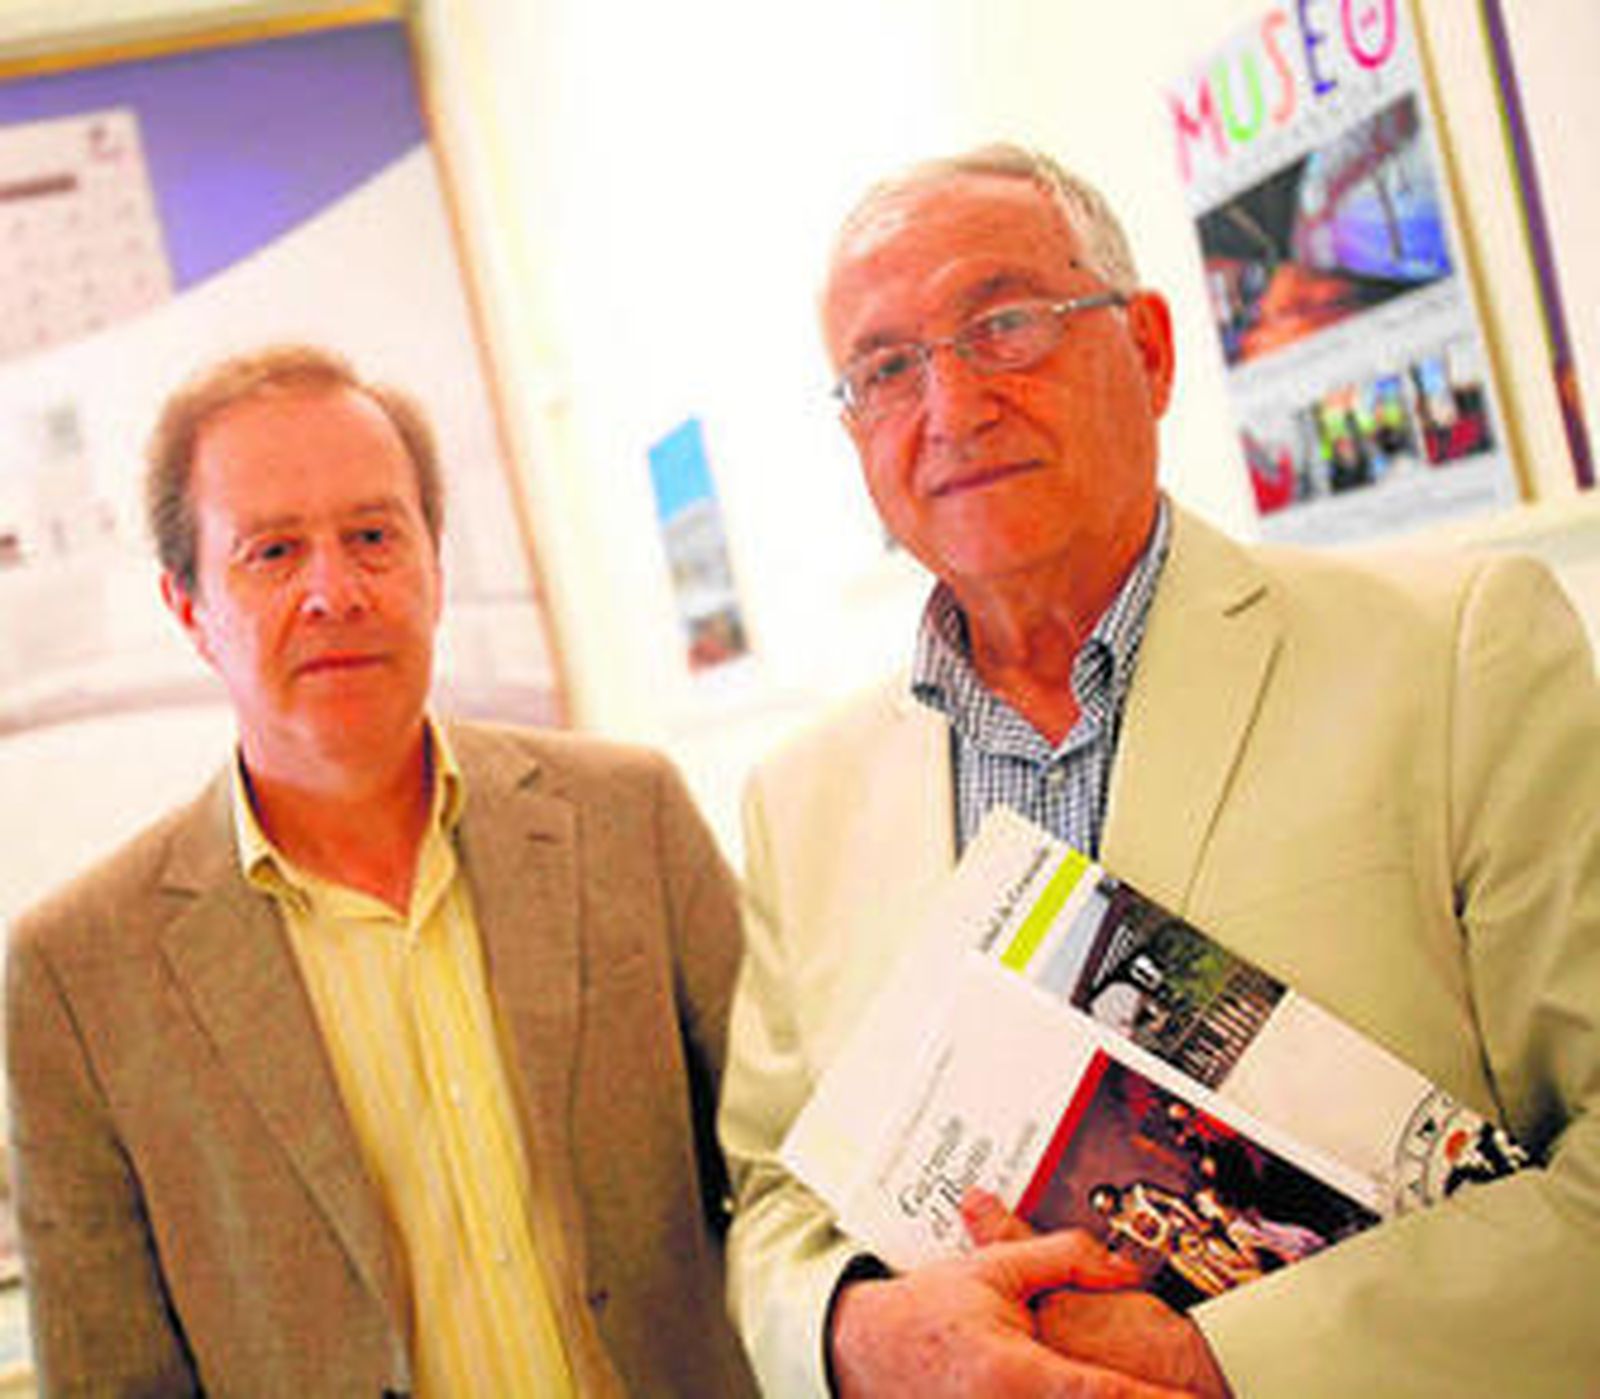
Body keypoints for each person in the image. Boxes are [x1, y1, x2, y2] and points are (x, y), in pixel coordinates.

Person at [718, 144, 1600, 1397]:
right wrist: (855, 1335)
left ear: (1147, 350)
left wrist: (1212, 1357)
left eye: (1005, 324)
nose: (951, 406)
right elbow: (769, 1197)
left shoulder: (1455, 655)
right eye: (884, 369)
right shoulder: (800, 799)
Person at [5, 345, 757, 1398]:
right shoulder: (77, 974)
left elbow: (781, 1177)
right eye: (271, 552)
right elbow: (109, 1379)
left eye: (371, 536)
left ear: (434, 567)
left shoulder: (629, 820)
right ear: (189, 609)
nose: (333, 591)